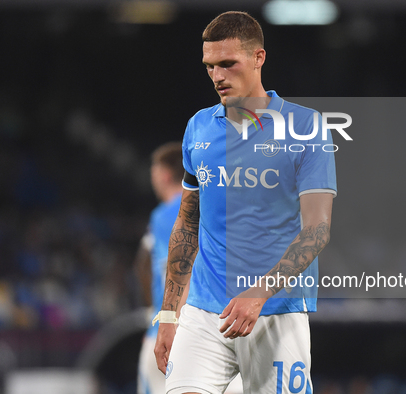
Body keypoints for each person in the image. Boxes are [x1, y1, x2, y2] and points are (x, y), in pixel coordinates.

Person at [153, 11, 336, 394]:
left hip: (275, 313)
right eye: (209, 66)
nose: (217, 76)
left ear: (258, 58)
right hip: (204, 312)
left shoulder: (305, 128)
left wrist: (259, 293)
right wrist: (171, 312)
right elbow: (188, 223)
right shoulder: (198, 128)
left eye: (227, 64)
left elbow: (317, 229)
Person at [136, 142, 184, 394]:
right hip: (201, 325)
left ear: (164, 175)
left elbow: (142, 264)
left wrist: (153, 309)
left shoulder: (163, 215)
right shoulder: (207, 207)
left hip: (164, 327)